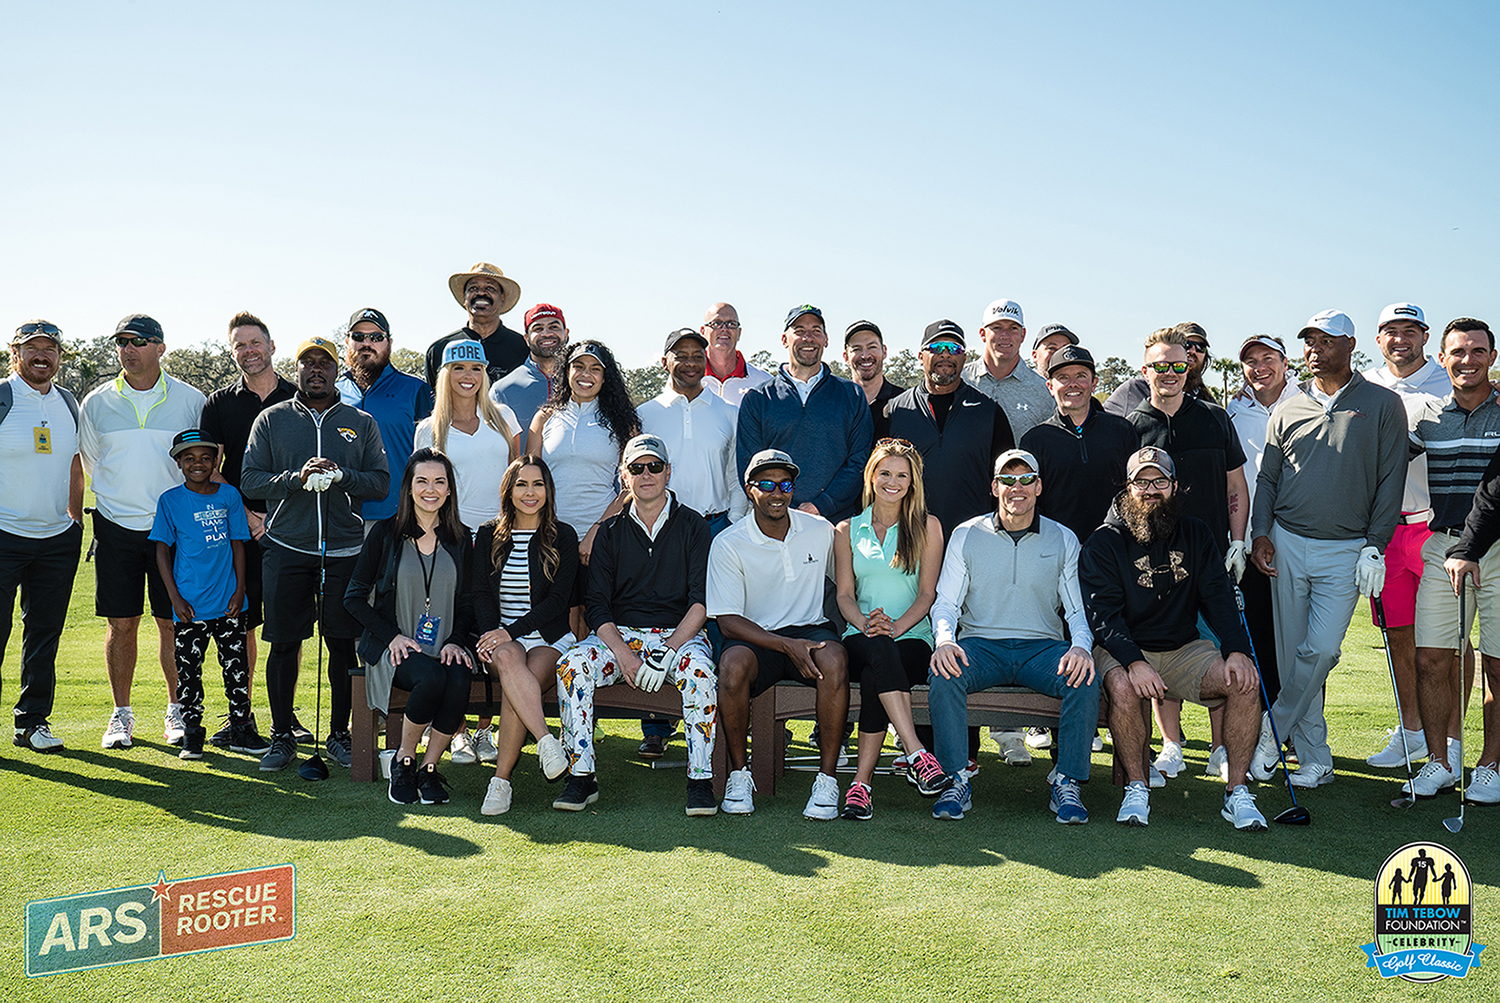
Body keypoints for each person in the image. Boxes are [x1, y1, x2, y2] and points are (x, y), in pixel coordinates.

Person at [1250, 310, 1406, 788]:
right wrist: (1260, 534)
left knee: (1319, 651)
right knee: (1292, 652)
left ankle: (1270, 731)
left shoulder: (1382, 404)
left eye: (1326, 340)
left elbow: (1390, 480)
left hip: (1347, 548)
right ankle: (1316, 758)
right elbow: (1268, 478)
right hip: (1288, 542)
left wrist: (1375, 545)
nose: (1315, 349)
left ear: (1351, 345)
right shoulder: (1288, 407)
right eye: (1309, 341)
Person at [1081, 448, 1268, 831]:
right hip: (1125, 646)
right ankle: (1136, 786)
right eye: (1141, 482)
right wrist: (1134, 661)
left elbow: (1218, 599)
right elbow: (1103, 616)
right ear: (1127, 489)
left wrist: (1237, 651)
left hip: (1184, 648)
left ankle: (1237, 792)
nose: (1151, 490)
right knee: (1121, 684)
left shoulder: (1196, 532)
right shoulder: (1104, 541)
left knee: (1245, 681)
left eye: (1160, 481)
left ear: (1175, 486)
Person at [241, 335, 391, 772]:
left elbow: (379, 483)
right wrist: (294, 478)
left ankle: (341, 735)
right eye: (308, 363)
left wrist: (343, 476)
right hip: (288, 547)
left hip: (345, 550)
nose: (316, 370)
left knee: (343, 645)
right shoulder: (271, 420)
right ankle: (282, 735)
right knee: (284, 643)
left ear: (335, 368)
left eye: (324, 363)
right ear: (299, 368)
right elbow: (250, 480)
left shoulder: (359, 422)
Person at [926, 449, 1099, 824]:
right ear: (994, 487)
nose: (1015, 487)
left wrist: (1082, 647)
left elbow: (1076, 610)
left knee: (1083, 677)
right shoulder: (966, 534)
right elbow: (946, 604)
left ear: (1039, 486)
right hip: (980, 647)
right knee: (943, 673)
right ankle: (956, 778)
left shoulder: (1063, 538)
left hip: (1042, 649)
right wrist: (944, 641)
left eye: (1025, 479)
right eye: (1007, 479)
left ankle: (1066, 781)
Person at [553, 435, 718, 816]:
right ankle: (582, 776)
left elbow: (701, 602)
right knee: (572, 665)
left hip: (680, 635)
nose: (647, 474)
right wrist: (624, 656)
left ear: (668, 472)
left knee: (701, 673)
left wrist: (671, 649)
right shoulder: (608, 532)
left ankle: (700, 780)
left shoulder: (693, 525)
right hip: (620, 637)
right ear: (623, 476)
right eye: (637, 468)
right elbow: (597, 606)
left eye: (654, 466)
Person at [1125, 327, 1249, 781]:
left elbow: (1235, 485)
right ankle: (1171, 743)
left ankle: (1220, 746)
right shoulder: (1132, 426)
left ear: (1189, 367)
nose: (1170, 373)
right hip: (1153, 560)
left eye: (1178, 365)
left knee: (1215, 651)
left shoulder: (1215, 418)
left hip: (1212, 555)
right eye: (1160, 366)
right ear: (1147, 370)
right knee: (1163, 646)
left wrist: (1237, 540)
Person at [80, 314, 207, 750]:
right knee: (122, 625)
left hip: (173, 531)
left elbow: (203, 462)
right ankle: (122, 715)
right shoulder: (96, 402)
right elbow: (93, 463)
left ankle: (176, 710)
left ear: (161, 348)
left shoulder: (191, 400)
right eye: (122, 342)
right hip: (116, 527)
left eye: (138, 341)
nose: (128, 349)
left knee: (173, 623)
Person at [710, 449, 848, 819]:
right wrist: (786, 646)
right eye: (767, 484)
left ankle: (827, 780)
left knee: (835, 657)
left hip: (809, 628)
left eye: (785, 484)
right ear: (749, 488)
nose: (777, 493)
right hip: (758, 636)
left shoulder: (819, 530)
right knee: (732, 664)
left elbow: (848, 584)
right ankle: (740, 775)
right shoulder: (728, 542)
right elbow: (726, 620)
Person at [345, 449, 476, 806]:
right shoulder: (386, 535)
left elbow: (468, 603)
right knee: (431, 678)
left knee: (459, 676)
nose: (430, 489)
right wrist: (393, 637)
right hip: (397, 649)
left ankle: (429, 769)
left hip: (446, 644)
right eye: (422, 481)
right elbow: (353, 598)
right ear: (408, 487)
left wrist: (456, 641)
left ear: (449, 490)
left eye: (439, 482)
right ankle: (405, 759)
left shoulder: (462, 539)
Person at [637, 326, 745, 756]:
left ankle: (717, 717)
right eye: (679, 354)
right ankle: (656, 727)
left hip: (715, 525)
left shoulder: (726, 412)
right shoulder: (645, 412)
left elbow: (736, 474)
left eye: (697, 354)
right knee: (656, 613)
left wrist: (734, 522)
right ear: (664, 361)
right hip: (659, 525)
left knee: (716, 618)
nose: (690, 361)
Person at [414, 337, 520, 764]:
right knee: (452, 622)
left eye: (475, 369)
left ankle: (484, 730)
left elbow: (518, 476)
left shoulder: (504, 417)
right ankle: (456, 728)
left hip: (498, 536)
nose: (468, 377)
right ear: (445, 375)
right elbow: (424, 487)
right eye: (458, 369)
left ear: (484, 374)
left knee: (492, 621)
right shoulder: (429, 428)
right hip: (451, 537)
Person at [1406, 317, 1500, 799]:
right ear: (1442, 359)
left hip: (1497, 548)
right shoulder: (1428, 419)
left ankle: (1491, 763)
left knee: (1498, 663)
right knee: (1430, 658)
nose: (1468, 360)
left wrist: (1472, 547)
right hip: (1444, 546)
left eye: (1477, 351)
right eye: (1458, 352)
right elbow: (1383, 462)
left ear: (1492, 357)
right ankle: (1440, 760)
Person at [833, 439, 946, 819]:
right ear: (871, 476)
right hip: (859, 636)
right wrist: (866, 623)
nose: (893, 482)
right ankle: (916, 752)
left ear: (913, 482)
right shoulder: (847, 529)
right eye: (885, 473)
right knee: (877, 651)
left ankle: (861, 786)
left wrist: (896, 626)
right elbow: (845, 596)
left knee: (873, 678)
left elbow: (927, 594)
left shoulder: (928, 526)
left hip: (913, 638)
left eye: (902, 475)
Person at [1363, 303, 1455, 770]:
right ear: (1378, 340)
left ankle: (1452, 742)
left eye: (1409, 331)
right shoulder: (1367, 386)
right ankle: (1413, 731)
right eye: (1390, 332)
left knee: (1448, 641)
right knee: (1399, 637)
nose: (1400, 339)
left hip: (1437, 526)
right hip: (1385, 529)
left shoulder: (1450, 380)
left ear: (1424, 337)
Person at [200, 311, 295, 752]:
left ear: (272, 346)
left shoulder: (298, 398)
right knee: (243, 624)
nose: (248, 351)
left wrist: (274, 518)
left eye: (255, 342)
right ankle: (244, 714)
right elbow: (209, 471)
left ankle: (285, 715)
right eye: (239, 345)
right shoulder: (219, 403)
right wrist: (252, 517)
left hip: (294, 529)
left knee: (289, 626)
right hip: (241, 531)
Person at [471, 456, 578, 815]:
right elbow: (480, 593)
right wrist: (493, 634)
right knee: (507, 659)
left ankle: (500, 783)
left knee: (522, 680)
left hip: (549, 637)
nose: (530, 492)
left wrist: (509, 631)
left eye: (538, 484)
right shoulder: (489, 534)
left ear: (548, 490)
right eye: (521, 484)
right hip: (503, 643)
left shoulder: (562, 535)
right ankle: (547, 741)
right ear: (508, 490)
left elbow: (558, 602)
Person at [2, 320, 83, 752]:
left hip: (55, 539)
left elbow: (73, 462)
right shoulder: (2, 396)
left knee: (44, 634)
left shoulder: (69, 401)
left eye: (49, 349)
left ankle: (32, 723)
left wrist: (75, 518)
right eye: (31, 347)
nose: (41, 355)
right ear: (15, 353)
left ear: (58, 357)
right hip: (3, 534)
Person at [1222, 334, 1300, 778]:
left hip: (1300, 540)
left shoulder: (1310, 403)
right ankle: (1268, 733)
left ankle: (1299, 735)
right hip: (1250, 543)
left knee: (1302, 647)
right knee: (1261, 646)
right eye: (1250, 361)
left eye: (1267, 358)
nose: (1258, 367)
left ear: (1285, 363)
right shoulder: (1233, 412)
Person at [149, 429, 251, 760]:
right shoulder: (171, 501)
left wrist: (240, 590)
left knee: (236, 669)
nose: (198, 464)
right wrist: (175, 599)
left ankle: (240, 729)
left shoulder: (229, 496)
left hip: (228, 604)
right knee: (189, 674)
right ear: (178, 463)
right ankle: (192, 733)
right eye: (189, 458)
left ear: (216, 461)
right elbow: (162, 551)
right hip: (190, 606)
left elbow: (238, 543)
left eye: (206, 458)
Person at [736, 305, 873, 523]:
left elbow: (859, 461)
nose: (808, 338)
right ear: (784, 339)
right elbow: (749, 464)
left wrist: (821, 505)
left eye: (816, 331)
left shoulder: (851, 395)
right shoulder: (758, 398)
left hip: (835, 524)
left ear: (826, 339)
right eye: (799, 331)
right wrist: (780, 507)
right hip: (776, 523)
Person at [879, 320, 1014, 539]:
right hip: (907, 536)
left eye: (954, 348)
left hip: (973, 537)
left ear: (965, 357)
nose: (945, 355)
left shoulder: (989, 412)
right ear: (921, 355)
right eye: (936, 348)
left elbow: (1006, 479)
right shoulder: (895, 411)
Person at [529, 340, 639, 573]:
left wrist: (597, 530)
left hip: (605, 537)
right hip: (551, 537)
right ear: (566, 371)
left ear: (605, 377)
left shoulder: (623, 424)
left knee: (596, 610)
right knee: (563, 610)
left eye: (595, 368)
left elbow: (631, 487)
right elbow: (530, 481)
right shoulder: (545, 418)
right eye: (578, 366)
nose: (585, 374)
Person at [1019, 345, 1137, 545]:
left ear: (1094, 383)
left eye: (1081, 376)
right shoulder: (1035, 440)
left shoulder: (1122, 431)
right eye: (1063, 377)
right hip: (1055, 550)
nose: (1072, 384)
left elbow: (1135, 494)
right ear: (1050, 387)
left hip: (1115, 549)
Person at [335, 308, 433, 527]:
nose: (367, 343)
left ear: (389, 342)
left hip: (400, 517)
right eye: (358, 337)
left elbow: (431, 458)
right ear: (347, 342)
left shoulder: (416, 390)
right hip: (342, 519)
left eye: (376, 337)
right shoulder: (333, 393)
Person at [961, 298, 1054, 440]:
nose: (1005, 335)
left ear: (1022, 335)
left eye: (1013, 328)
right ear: (982, 334)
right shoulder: (960, 380)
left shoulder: (1043, 390)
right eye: (997, 328)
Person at [424, 261, 528, 388]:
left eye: (490, 288)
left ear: (502, 298)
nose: (481, 293)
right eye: (473, 288)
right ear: (464, 297)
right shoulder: (440, 349)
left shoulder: (523, 348)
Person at [490, 303, 569, 445]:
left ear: (566, 334)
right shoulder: (502, 390)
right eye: (538, 329)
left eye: (554, 327)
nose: (546, 334)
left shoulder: (583, 383)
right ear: (526, 339)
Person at [1104, 322, 1214, 416]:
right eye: (1187, 344)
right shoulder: (1133, 390)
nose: (1193, 351)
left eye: (1200, 347)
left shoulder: (1210, 406)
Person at [702, 302, 772, 404]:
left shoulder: (764, 381)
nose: (724, 329)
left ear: (739, 333)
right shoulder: (688, 379)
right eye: (716, 323)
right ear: (703, 331)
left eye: (731, 324)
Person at [843, 320, 904, 424]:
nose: (865, 356)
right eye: (856, 349)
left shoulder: (903, 402)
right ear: (846, 357)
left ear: (884, 351)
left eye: (872, 347)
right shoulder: (835, 403)